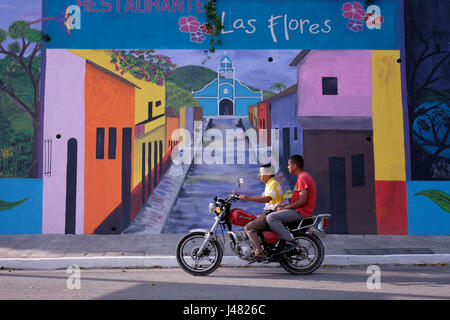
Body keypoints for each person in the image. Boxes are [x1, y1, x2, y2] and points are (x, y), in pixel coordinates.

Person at [266, 154, 316, 249]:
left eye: (289, 164)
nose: (287, 167)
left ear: (295, 166)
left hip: (301, 212)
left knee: (271, 218)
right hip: (299, 210)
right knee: (274, 212)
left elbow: (302, 201)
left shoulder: (302, 177)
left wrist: (283, 208)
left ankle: (290, 241)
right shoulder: (303, 177)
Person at [238, 163, 284, 262]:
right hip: (268, 212)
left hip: (270, 213)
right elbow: (263, 198)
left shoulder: (273, 183)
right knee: (250, 219)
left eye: (261, 173)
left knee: (249, 227)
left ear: (268, 173)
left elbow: (266, 199)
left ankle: (259, 252)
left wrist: (247, 198)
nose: (259, 175)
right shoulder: (269, 184)